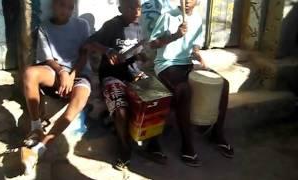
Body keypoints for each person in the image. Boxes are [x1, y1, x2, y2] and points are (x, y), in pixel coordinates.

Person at [149, 0, 234, 167]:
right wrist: (175, 36)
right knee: (184, 90)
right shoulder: (168, 16)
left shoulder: (197, 19)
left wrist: (197, 54)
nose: (187, 1)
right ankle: (186, 145)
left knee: (223, 84)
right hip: (167, 65)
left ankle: (217, 134)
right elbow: (152, 44)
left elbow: (195, 44)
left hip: (187, 64)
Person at [85, 0, 165, 170]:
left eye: (138, 7)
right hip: (112, 75)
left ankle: (153, 142)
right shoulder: (111, 25)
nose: (136, 11)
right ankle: (124, 146)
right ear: (121, 8)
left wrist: (139, 57)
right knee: (121, 109)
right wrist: (107, 51)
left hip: (133, 74)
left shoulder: (138, 28)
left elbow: (135, 54)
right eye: (130, 7)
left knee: (156, 99)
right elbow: (90, 43)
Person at [21, 0, 91, 173]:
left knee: (81, 96)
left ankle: (42, 146)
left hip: (79, 73)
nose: (65, 10)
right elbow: (48, 59)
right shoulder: (45, 26)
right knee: (30, 73)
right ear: (53, 5)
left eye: (70, 7)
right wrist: (62, 73)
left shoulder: (82, 25)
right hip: (57, 73)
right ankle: (36, 127)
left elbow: (84, 54)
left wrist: (72, 75)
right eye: (61, 5)